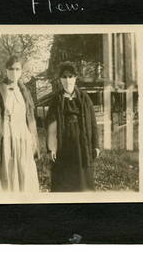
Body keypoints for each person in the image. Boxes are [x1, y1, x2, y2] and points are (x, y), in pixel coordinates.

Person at [46, 61, 100, 192]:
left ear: (75, 78)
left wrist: (96, 145)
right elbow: (51, 126)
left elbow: (93, 123)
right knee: (63, 182)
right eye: (64, 77)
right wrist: (51, 148)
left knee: (82, 182)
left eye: (70, 76)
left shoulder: (84, 98)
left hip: (81, 145)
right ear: (60, 79)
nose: (68, 80)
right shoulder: (56, 100)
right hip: (63, 146)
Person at [0, 56, 40, 192]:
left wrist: (32, 137)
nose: (14, 72)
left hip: (23, 135)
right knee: (9, 169)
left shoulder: (24, 91)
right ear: (6, 70)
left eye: (17, 69)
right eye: (11, 69)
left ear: (21, 71)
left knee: (25, 169)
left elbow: (30, 117)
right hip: (7, 135)